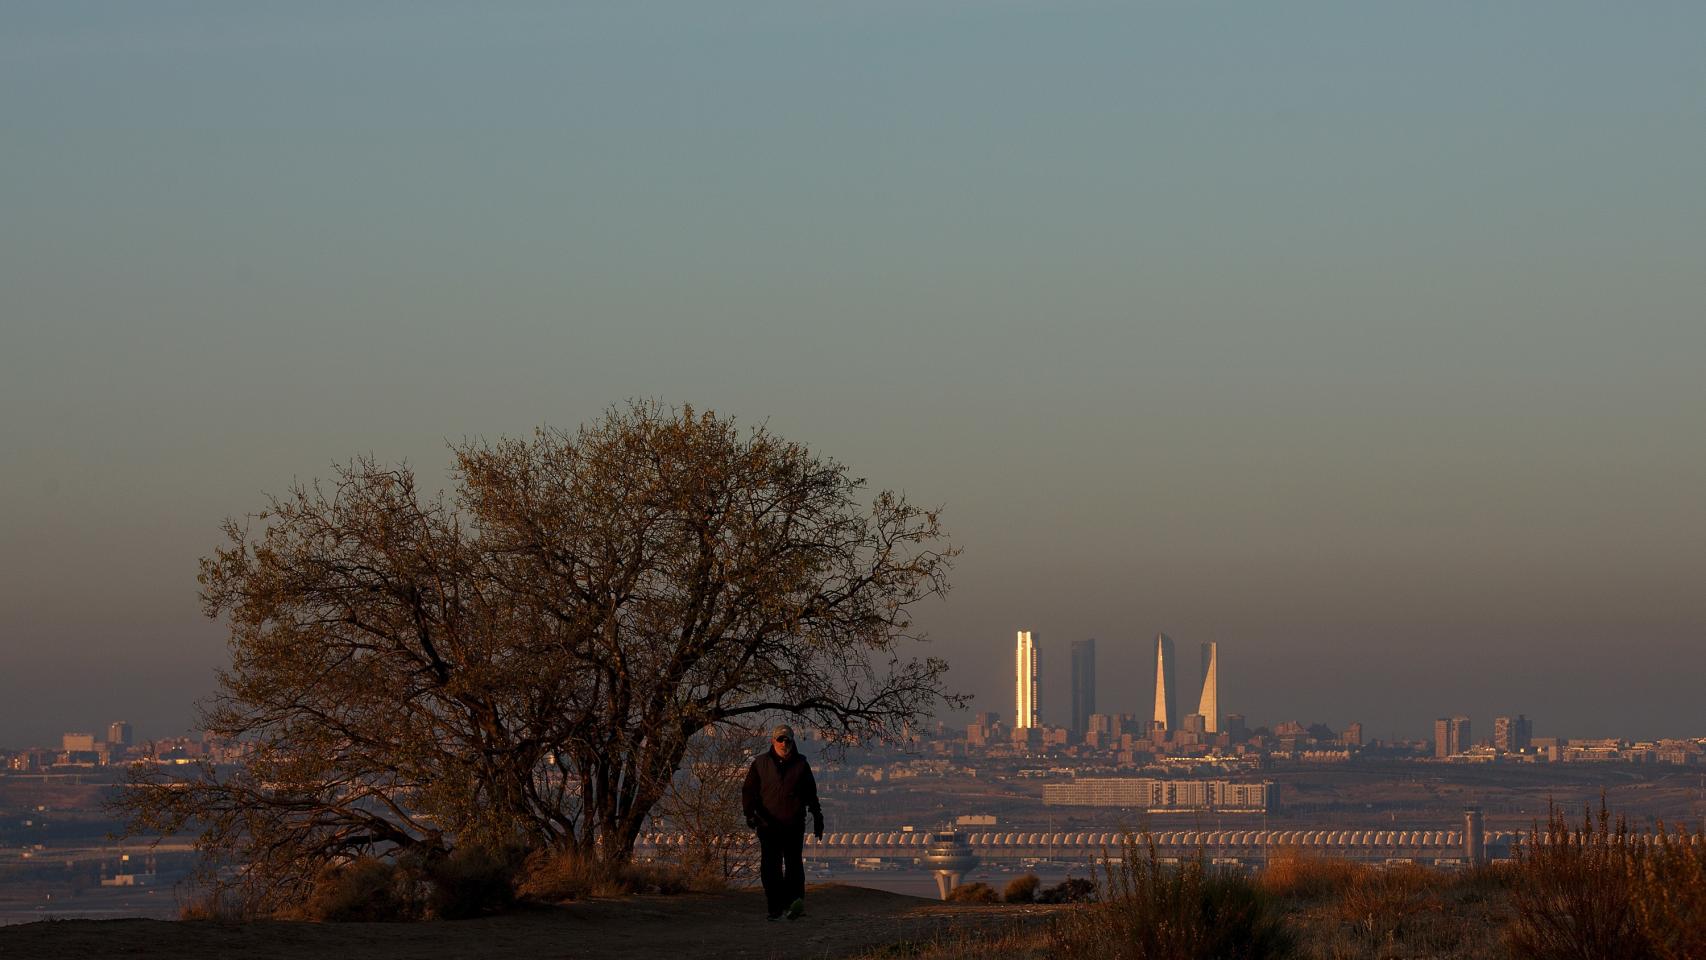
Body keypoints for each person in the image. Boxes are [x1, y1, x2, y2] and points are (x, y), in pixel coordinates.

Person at [741, 723, 824, 921]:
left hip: (794, 825)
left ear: (792, 742)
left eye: (787, 740)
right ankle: (775, 907)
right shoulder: (760, 763)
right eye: (780, 739)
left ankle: (794, 905)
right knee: (771, 868)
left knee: (794, 866)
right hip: (768, 826)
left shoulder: (801, 764)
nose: (784, 743)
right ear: (773, 741)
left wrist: (818, 817)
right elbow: (749, 792)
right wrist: (750, 815)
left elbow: (811, 794)